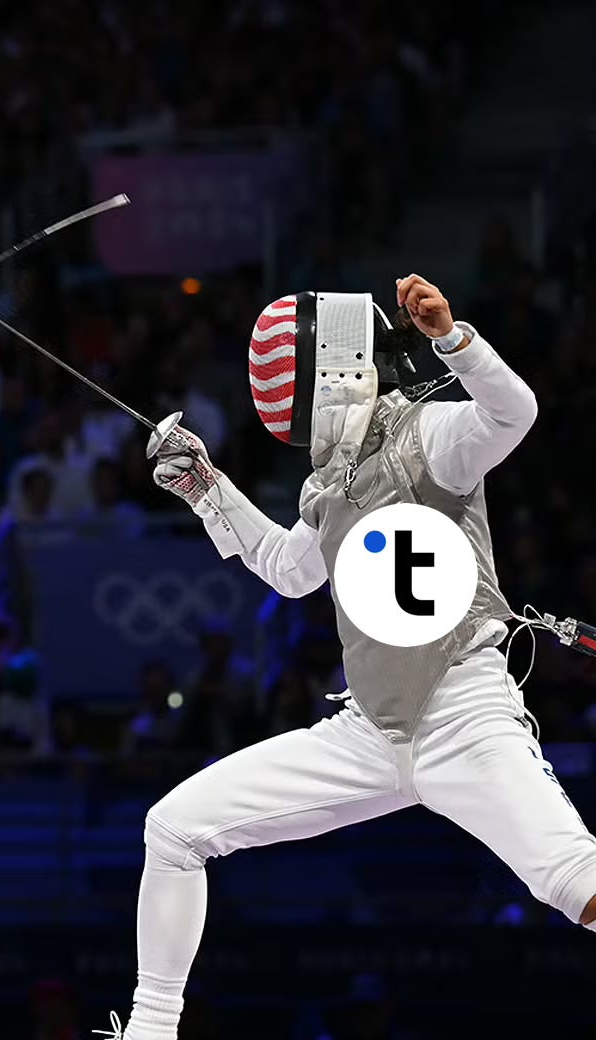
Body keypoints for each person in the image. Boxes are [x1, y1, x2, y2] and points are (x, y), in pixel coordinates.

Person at [107, 275, 596, 1039]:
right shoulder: (328, 487)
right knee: (174, 830)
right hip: (366, 734)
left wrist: (452, 339)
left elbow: (514, 412)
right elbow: (290, 570)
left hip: (464, 718)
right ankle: (149, 1029)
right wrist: (206, 488)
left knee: (579, 887)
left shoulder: (431, 437)